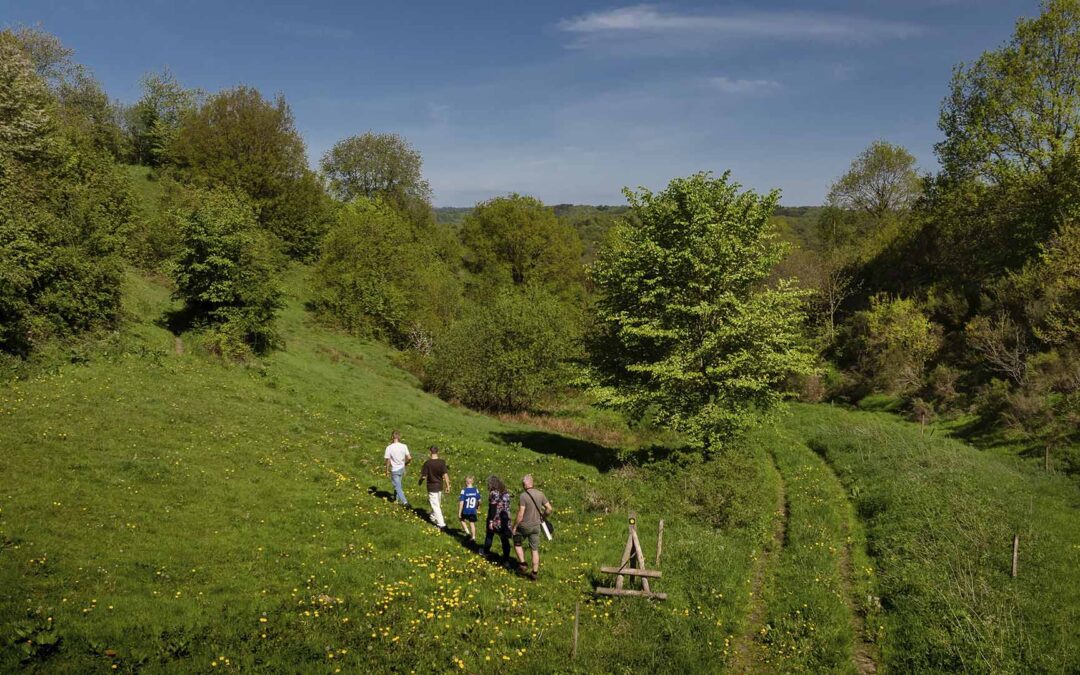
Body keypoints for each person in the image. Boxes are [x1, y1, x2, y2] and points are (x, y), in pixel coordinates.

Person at [512, 474, 552, 581]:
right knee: (534, 549)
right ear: (532, 483)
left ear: (525, 484)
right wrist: (543, 516)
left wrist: (515, 526)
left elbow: (520, 514)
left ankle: (523, 563)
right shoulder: (540, 494)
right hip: (536, 526)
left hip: (524, 526)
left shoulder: (523, 496)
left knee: (517, 541)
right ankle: (534, 573)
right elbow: (549, 508)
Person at [482, 475, 513, 566]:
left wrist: (491, 521)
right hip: (505, 519)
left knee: (489, 535)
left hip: (496, 519)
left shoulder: (493, 493)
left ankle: (486, 552)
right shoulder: (506, 493)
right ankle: (506, 560)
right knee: (504, 539)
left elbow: (493, 508)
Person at [419, 446, 450, 529]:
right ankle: (432, 516)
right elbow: (445, 475)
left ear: (430, 452)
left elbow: (424, 476)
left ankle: (441, 525)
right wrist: (448, 486)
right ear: (438, 452)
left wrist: (420, 480)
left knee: (436, 506)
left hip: (431, 487)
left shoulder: (427, 463)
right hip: (439, 486)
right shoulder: (442, 462)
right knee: (437, 504)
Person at [383, 430, 411, 505]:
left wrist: (386, 470)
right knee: (398, 485)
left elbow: (388, 461)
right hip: (402, 468)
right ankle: (396, 500)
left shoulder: (389, 447)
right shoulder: (404, 446)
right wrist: (405, 464)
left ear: (392, 437)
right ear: (399, 437)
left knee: (397, 486)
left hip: (395, 470)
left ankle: (405, 502)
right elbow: (409, 458)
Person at [457, 476, 481, 543]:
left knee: (461, 518)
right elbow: (479, 500)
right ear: (472, 482)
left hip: (465, 510)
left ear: (466, 482)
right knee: (472, 523)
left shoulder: (463, 491)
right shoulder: (476, 490)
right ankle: (473, 537)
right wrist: (478, 507)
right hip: (473, 510)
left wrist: (459, 512)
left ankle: (467, 532)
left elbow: (461, 502)